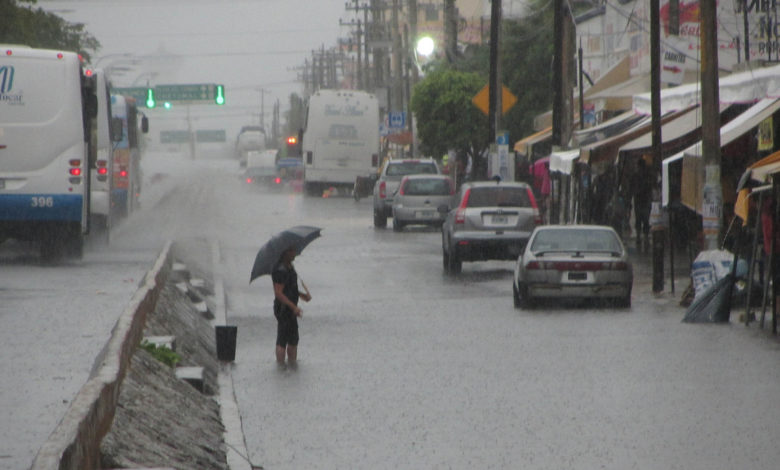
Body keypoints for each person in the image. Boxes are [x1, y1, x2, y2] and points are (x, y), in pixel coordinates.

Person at [272, 246, 311, 367]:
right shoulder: (280, 270)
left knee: (293, 339)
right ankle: (281, 366)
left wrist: (303, 295)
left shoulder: (290, 267)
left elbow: (292, 288)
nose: (295, 253)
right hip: (283, 308)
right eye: (292, 251)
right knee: (282, 338)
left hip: (291, 308)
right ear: (285, 253)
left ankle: (292, 365)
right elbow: (278, 293)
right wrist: (293, 307)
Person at [631, 158, 653, 251]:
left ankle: (641, 237)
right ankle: (644, 237)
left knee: (640, 219)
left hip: (640, 201)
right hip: (644, 201)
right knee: (644, 219)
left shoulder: (636, 176)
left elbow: (632, 187)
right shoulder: (647, 175)